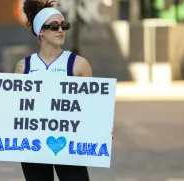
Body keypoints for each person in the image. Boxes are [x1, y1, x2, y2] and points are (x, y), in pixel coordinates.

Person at [14, 0, 115, 181]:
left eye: (64, 25)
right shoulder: (24, 67)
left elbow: (91, 104)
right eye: (54, 26)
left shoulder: (79, 64)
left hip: (69, 142)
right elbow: (17, 109)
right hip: (34, 144)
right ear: (41, 32)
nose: (61, 30)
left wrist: (102, 126)